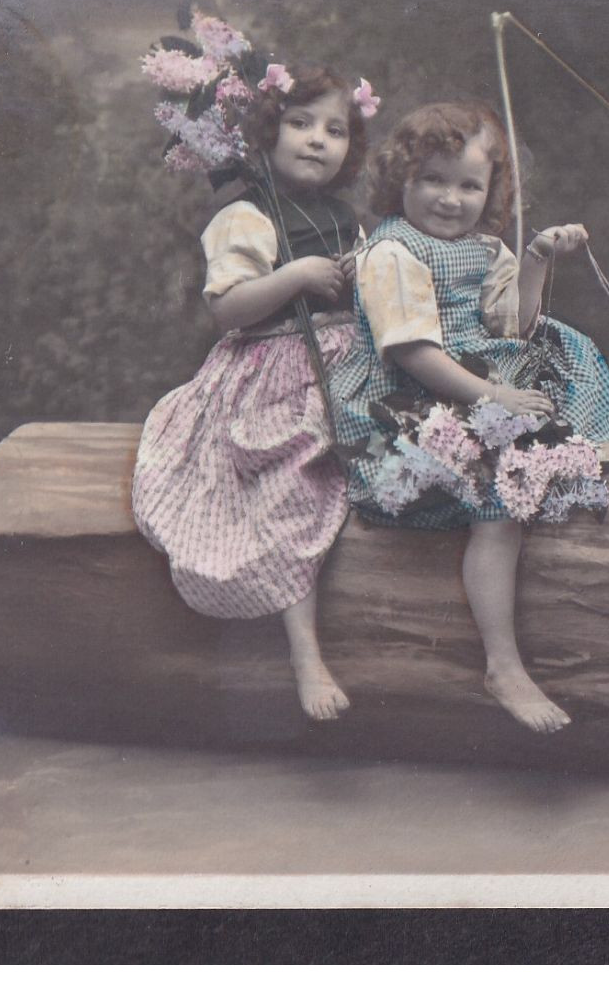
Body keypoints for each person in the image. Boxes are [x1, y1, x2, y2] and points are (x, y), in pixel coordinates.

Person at [331, 100, 609, 733]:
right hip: (410, 393)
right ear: (402, 182)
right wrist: (492, 398)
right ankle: (503, 664)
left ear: (491, 191)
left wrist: (536, 259)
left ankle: (603, 451)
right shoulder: (391, 251)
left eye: (469, 185)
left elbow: (515, 327)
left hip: (479, 373)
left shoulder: (484, 247)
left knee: (559, 344)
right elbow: (413, 352)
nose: (451, 199)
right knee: (497, 502)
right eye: (433, 181)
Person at [132, 62, 379, 722]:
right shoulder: (247, 214)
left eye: (335, 130)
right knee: (292, 482)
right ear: (267, 134)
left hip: (342, 363)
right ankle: (306, 653)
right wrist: (296, 273)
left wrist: (361, 272)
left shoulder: (340, 215)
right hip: (270, 369)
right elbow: (231, 308)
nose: (318, 140)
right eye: (300, 124)